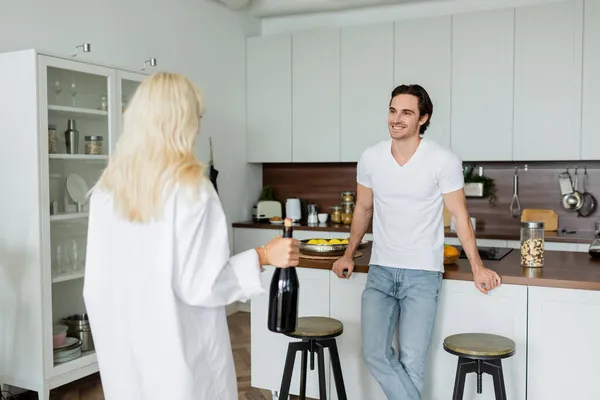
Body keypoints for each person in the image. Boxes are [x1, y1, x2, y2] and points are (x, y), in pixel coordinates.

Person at [82, 71, 300, 400]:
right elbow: (203, 284)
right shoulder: (191, 189)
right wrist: (263, 255)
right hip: (181, 356)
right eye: (196, 116)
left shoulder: (106, 191)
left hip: (125, 359)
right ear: (182, 121)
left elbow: (96, 286)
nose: (198, 126)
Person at [332, 84, 501, 399]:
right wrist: (348, 255)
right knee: (374, 353)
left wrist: (478, 267)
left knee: (412, 362)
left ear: (423, 118)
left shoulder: (442, 160)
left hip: (422, 274)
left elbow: (460, 216)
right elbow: (363, 209)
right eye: (393, 110)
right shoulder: (370, 158)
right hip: (380, 270)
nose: (396, 119)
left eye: (406, 112)